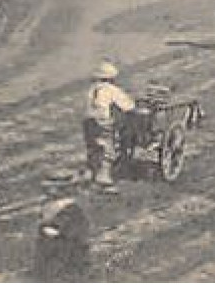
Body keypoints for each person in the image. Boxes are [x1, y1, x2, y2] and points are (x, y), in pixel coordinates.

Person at [82, 61, 135, 190]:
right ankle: (103, 179)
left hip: (88, 121)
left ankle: (91, 172)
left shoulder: (92, 89)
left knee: (93, 147)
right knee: (106, 148)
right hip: (102, 121)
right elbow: (128, 105)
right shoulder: (111, 90)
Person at [33, 169, 90, 282]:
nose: (50, 191)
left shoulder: (72, 208)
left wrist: (55, 230)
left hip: (67, 251)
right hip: (49, 250)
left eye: (54, 188)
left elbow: (73, 232)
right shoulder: (48, 205)